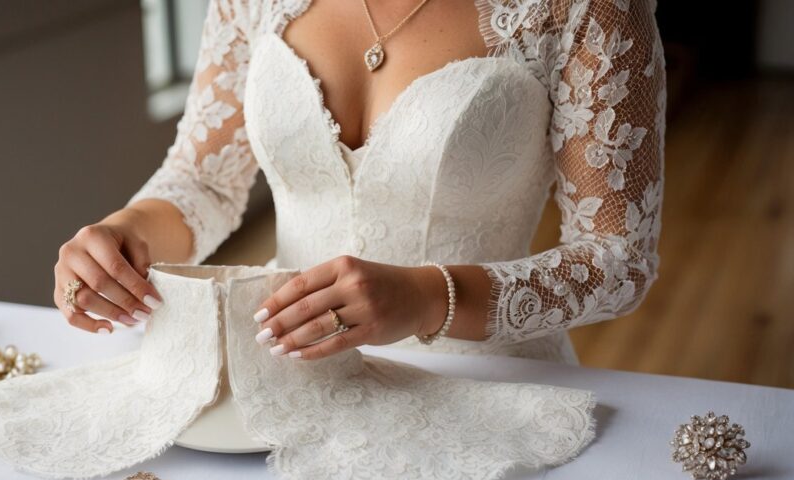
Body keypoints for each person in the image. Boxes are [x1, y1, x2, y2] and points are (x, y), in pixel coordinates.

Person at [54, 0, 665, 365]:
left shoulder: (582, 7)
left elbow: (619, 259)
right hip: (284, 367)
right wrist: (123, 234)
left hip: (487, 379)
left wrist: (430, 298)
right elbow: (203, 181)